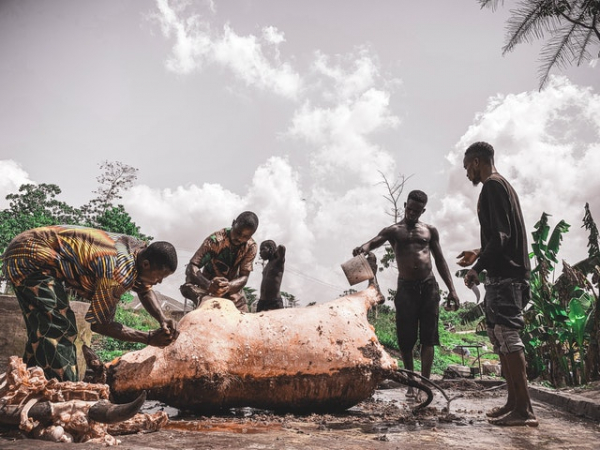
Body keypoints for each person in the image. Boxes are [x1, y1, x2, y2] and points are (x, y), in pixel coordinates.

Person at [2, 225, 179, 382]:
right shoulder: (117, 270)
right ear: (146, 264)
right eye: (160, 277)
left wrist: (162, 318)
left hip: (31, 248)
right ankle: (64, 393)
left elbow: (145, 289)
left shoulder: (138, 250)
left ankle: (26, 385)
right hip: (30, 256)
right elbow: (100, 325)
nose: (160, 282)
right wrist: (148, 338)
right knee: (59, 327)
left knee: (43, 331)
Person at [457, 141, 538, 427]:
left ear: (477, 162)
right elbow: (504, 236)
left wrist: (477, 268)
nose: (467, 174)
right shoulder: (503, 186)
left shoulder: (492, 185)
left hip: (507, 277)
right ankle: (513, 402)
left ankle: (524, 410)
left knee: (508, 336)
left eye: (467, 167)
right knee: (500, 337)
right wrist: (478, 253)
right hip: (507, 275)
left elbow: (502, 237)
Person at [353, 190, 460, 399]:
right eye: (409, 208)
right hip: (406, 289)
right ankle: (412, 382)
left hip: (429, 287)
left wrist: (453, 290)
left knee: (428, 338)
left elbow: (440, 260)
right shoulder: (394, 231)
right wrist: (363, 248)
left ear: (423, 211)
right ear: (405, 205)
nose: (412, 213)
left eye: (417, 211)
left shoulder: (429, 231)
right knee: (406, 339)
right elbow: (375, 241)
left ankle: (425, 383)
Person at [180, 211, 258, 312]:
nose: (239, 238)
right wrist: (208, 285)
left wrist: (229, 286)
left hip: (230, 289)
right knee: (198, 300)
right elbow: (192, 267)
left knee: (244, 318)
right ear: (234, 223)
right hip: (207, 286)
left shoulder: (251, 247)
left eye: (245, 237)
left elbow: (244, 277)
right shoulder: (215, 240)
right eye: (238, 233)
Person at [256, 240, 286, 312]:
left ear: (270, 249)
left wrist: (274, 250)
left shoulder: (278, 261)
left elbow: (282, 247)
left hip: (274, 302)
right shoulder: (267, 265)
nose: (260, 252)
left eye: (263, 249)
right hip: (262, 302)